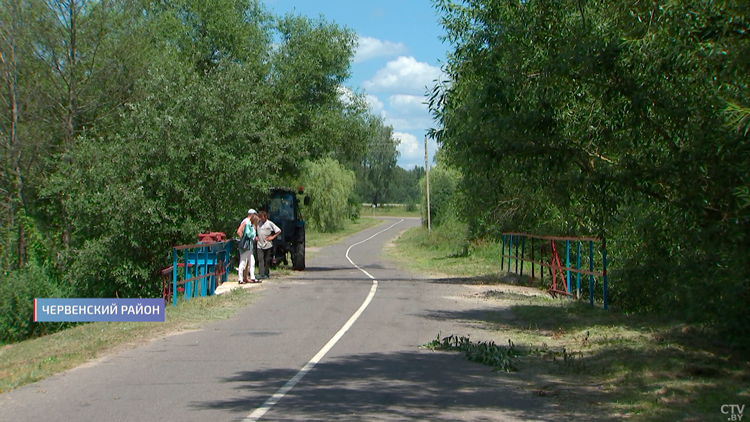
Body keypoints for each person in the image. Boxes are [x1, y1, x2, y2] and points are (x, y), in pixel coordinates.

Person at [236, 209, 260, 284]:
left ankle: (250, 277)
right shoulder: (246, 222)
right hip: (246, 245)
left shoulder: (251, 223)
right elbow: (240, 231)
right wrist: (243, 240)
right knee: (243, 262)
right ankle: (241, 278)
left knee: (251, 262)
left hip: (250, 246)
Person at [256, 210, 281, 279]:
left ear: (265, 217)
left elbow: (278, 231)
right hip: (259, 245)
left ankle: (266, 273)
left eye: (262, 217)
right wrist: (255, 236)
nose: (261, 219)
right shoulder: (258, 223)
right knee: (260, 259)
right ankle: (261, 274)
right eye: (260, 217)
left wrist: (272, 237)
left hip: (268, 244)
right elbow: (253, 230)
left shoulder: (270, 223)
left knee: (267, 260)